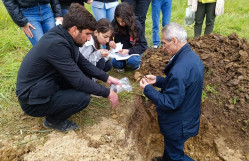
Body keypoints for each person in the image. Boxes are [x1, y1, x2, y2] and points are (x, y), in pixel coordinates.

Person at [16, 3, 120, 132]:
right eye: (87, 34)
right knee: (82, 98)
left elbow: (82, 62)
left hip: (45, 84)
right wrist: (107, 93)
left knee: (85, 82)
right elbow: (78, 80)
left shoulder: (65, 35)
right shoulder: (57, 45)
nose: (89, 39)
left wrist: (106, 78)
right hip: (32, 100)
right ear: (74, 29)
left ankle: (59, 102)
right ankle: (52, 121)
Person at [140, 23, 204, 161]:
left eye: (164, 43)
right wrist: (157, 80)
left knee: (176, 155)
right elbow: (180, 86)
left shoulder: (180, 69)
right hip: (187, 116)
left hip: (179, 124)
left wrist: (148, 89)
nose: (163, 47)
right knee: (171, 148)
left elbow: (169, 102)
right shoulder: (191, 58)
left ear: (174, 40)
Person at [109, 3, 148, 73]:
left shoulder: (137, 25)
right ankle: (121, 65)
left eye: (123, 21)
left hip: (133, 51)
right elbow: (109, 35)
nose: (120, 23)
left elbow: (143, 45)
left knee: (133, 61)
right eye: (118, 21)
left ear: (129, 18)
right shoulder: (114, 23)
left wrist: (129, 51)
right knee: (114, 62)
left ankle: (135, 65)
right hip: (120, 53)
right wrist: (110, 41)